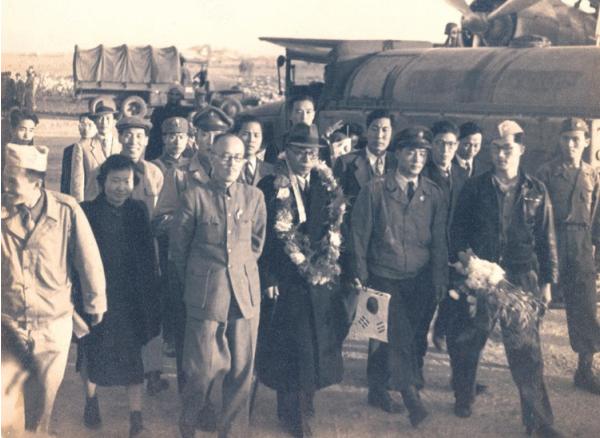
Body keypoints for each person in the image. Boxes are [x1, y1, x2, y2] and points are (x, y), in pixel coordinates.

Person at [448, 120, 562, 437]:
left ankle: (538, 422)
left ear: (521, 150)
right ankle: (463, 396)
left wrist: (547, 283)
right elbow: (457, 232)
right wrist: (467, 264)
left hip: (520, 279)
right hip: (481, 276)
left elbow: (547, 240)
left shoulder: (536, 190)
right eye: (496, 148)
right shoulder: (475, 188)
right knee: (468, 340)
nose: (501, 155)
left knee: (526, 352)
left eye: (508, 149)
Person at [1, 143, 107, 433]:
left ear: (36, 182)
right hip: (8, 325)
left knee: (41, 406)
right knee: (5, 409)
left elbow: (88, 258)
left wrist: (95, 301)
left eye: (12, 180)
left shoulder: (66, 210)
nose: (5, 186)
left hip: (53, 325)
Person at [171, 133, 267, 438]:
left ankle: (232, 432)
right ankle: (190, 425)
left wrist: (239, 272)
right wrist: (201, 279)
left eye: (237, 157)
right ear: (211, 158)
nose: (231, 163)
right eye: (224, 156)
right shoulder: (194, 196)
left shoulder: (254, 197)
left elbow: (256, 244)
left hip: (244, 295)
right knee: (200, 369)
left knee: (242, 370)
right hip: (206, 294)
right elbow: (179, 250)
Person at [351, 127, 447, 428]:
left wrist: (439, 278)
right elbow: (358, 235)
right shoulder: (375, 190)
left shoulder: (433, 192)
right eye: (410, 152)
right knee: (398, 335)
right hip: (384, 274)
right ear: (398, 154)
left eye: (422, 153)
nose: (417, 158)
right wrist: (361, 274)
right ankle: (411, 398)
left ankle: (377, 388)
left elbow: (439, 240)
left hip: (419, 277)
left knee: (399, 336)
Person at [257, 124, 347, 437]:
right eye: (299, 152)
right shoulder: (270, 186)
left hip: (319, 276)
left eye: (312, 153)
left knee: (316, 343)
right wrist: (268, 276)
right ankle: (291, 413)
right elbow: (262, 235)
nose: (306, 158)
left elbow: (336, 227)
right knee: (292, 346)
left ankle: (306, 398)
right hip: (285, 277)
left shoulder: (326, 183)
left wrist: (332, 265)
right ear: (286, 152)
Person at [77, 155, 161, 436]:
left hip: (129, 298)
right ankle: (91, 402)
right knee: (91, 350)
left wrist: (150, 296)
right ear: (103, 182)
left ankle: (136, 416)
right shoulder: (86, 211)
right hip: (95, 296)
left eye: (126, 181)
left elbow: (148, 257)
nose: (121, 187)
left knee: (133, 357)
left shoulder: (138, 210)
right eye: (115, 181)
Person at [536, 118, 600, 395]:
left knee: (585, 306)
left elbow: (597, 216)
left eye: (576, 139)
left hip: (581, 245)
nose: (571, 144)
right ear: (559, 141)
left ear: (586, 142)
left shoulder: (592, 174)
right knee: (538, 302)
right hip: (552, 240)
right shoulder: (546, 172)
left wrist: (595, 250)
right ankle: (529, 361)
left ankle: (584, 368)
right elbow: (536, 213)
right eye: (566, 139)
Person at [333, 109, 397, 374]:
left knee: (379, 316)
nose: (380, 134)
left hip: (386, 252)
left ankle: (377, 381)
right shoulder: (347, 163)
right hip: (352, 248)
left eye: (385, 129)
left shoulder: (398, 163)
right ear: (366, 131)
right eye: (375, 128)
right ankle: (330, 362)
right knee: (343, 313)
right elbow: (336, 210)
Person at [114, 116, 167, 395]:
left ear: (146, 140)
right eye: (128, 135)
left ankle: (153, 372)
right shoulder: (106, 170)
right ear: (119, 137)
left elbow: (163, 212)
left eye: (139, 136)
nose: (133, 141)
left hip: (148, 252)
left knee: (150, 309)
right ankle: (125, 369)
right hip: (117, 251)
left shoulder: (155, 173)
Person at [416, 120, 468, 388]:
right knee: (421, 316)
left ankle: (461, 379)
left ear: (457, 146)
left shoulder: (461, 175)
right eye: (439, 143)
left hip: (454, 258)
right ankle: (414, 372)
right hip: (426, 258)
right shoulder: (421, 174)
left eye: (450, 144)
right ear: (431, 145)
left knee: (457, 319)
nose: (445, 150)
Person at [70, 103, 122, 202]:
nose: (104, 123)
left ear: (114, 121)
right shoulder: (82, 146)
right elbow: (77, 182)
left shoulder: (121, 145)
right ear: (94, 121)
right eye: (100, 118)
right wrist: (79, 206)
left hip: (117, 203)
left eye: (108, 118)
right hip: (92, 204)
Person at [146, 85, 191, 160]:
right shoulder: (159, 111)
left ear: (181, 96)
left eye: (177, 95)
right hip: (160, 144)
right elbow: (153, 131)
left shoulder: (185, 113)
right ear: (167, 95)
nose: (173, 97)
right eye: (171, 94)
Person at [232, 114, 274, 186]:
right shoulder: (227, 165)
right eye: (246, 134)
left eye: (256, 135)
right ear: (236, 135)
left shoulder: (271, 171)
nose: (251, 140)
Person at [61, 113, 97, 194]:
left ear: (96, 127)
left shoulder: (101, 148)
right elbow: (65, 181)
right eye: (83, 124)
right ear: (78, 127)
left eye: (90, 125)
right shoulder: (69, 150)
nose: (86, 129)